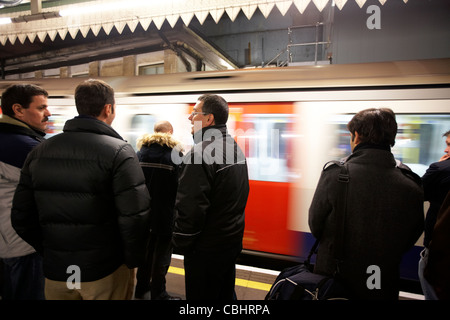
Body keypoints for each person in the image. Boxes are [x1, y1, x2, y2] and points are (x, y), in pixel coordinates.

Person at [11, 79, 151, 300]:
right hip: (103, 270)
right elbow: (134, 217)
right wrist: (132, 260)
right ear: (108, 109)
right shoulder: (120, 152)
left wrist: (51, 250)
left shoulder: (40, 151)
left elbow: (20, 216)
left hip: (59, 271)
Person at [308, 108, 424, 300]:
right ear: (391, 138)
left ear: (356, 136)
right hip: (380, 277)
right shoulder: (410, 183)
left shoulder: (336, 175)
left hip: (335, 276)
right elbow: (413, 232)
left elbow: (315, 224)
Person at [172, 94, 249, 300]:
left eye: (195, 113)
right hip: (228, 244)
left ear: (209, 119)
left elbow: (190, 208)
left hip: (205, 251)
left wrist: (181, 242)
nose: (190, 117)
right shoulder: (233, 148)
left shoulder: (199, 154)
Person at [0, 84, 50, 300]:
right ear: (18, 110)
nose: (48, 113)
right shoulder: (26, 148)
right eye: (41, 108)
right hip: (23, 245)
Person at [134, 120, 182, 300]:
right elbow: (180, 188)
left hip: (144, 215)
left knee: (145, 254)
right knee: (162, 256)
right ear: (170, 132)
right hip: (165, 215)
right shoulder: (175, 156)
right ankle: (158, 292)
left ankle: (141, 288)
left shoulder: (139, 154)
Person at [419, 130, 450, 299]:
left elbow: (418, 193)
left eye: (449, 145)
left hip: (438, 244)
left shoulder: (441, 168)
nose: (446, 151)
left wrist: (437, 166)